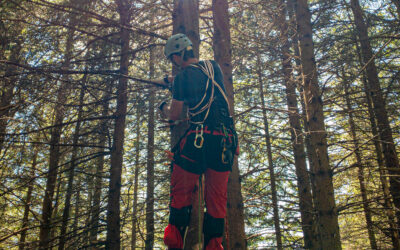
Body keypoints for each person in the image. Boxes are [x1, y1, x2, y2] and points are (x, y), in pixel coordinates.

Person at [159, 33, 238, 250]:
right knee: (216, 200)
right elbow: (199, 79)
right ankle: (213, 244)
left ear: (177, 57)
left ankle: (175, 237)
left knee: (181, 191)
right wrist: (171, 82)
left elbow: (174, 114)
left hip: (198, 143)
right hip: (225, 143)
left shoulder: (183, 79)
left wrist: (163, 109)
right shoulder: (213, 67)